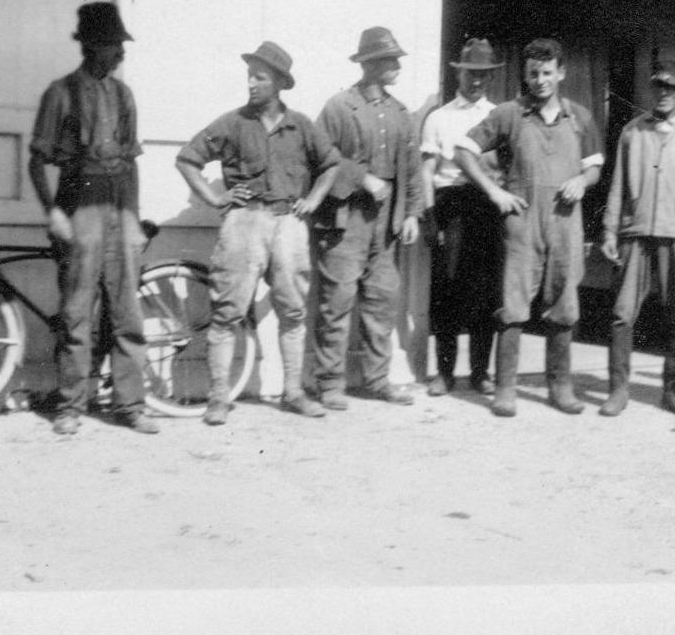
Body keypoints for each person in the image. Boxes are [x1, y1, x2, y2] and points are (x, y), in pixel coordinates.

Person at [175, 41, 340, 426]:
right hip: (244, 223)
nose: (251, 83)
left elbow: (331, 164)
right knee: (227, 312)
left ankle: (294, 392)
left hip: (288, 224)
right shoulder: (233, 123)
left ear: (280, 82)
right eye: (249, 75)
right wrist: (217, 198)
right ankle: (219, 397)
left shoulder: (301, 125)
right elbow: (187, 159)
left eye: (260, 77)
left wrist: (313, 199)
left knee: (293, 311)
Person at [27, 2, 159, 436]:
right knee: (77, 312)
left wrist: (134, 220)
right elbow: (36, 162)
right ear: (90, 46)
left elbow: (131, 163)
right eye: (113, 45)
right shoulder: (60, 93)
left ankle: (131, 405)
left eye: (120, 45)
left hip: (119, 205)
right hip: (78, 201)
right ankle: (70, 406)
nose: (120, 53)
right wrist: (55, 215)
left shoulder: (124, 96)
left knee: (126, 311)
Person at [454, 38, 603, 418]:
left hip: (566, 222)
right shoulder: (509, 114)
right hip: (522, 223)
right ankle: (505, 389)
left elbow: (595, 168)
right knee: (514, 304)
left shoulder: (580, 117)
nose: (540, 81)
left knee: (564, 304)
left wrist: (582, 182)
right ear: (525, 74)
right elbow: (463, 150)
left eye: (547, 73)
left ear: (562, 73)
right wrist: (494, 192)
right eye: (533, 73)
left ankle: (561, 388)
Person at [312, 27, 425, 408]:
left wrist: (411, 213)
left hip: (386, 224)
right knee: (337, 301)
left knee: (382, 302)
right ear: (370, 64)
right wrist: (361, 178)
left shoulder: (400, 113)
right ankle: (329, 384)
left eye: (396, 59)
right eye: (390, 60)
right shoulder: (339, 107)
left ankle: (377, 381)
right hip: (346, 220)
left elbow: (411, 168)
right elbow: (319, 158)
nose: (397, 66)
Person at [599, 60, 675, 418]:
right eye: (658, 87)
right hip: (635, 231)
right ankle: (618, 391)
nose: (663, 94)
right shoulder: (633, 131)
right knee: (621, 314)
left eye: (671, 88)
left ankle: (673, 390)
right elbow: (617, 183)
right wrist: (609, 229)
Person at [418, 38, 506, 397]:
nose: (477, 82)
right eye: (471, 74)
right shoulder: (439, 117)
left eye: (484, 76)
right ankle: (443, 372)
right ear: (459, 73)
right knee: (447, 289)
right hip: (450, 204)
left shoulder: (499, 115)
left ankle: (480, 372)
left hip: (485, 205)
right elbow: (426, 170)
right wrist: (429, 217)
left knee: (485, 291)